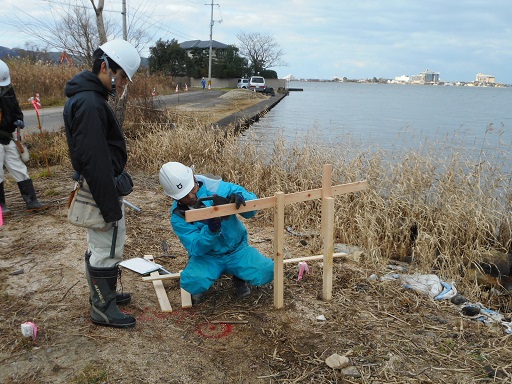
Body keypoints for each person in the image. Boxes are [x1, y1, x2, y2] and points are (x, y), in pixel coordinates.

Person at [63, 39, 141, 328]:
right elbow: (94, 159)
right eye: (121, 78)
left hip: (103, 182)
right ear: (105, 66)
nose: (121, 85)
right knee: (108, 246)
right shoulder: (91, 103)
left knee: (100, 245)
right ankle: (103, 307)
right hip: (101, 187)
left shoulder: (88, 98)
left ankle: (103, 294)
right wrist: (110, 206)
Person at [159, 161, 274, 303]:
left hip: (237, 250)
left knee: (268, 271)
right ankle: (208, 276)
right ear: (173, 197)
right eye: (184, 196)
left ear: (194, 179)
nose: (191, 197)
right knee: (191, 282)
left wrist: (240, 200)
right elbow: (196, 248)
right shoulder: (178, 216)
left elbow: (252, 210)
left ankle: (239, 276)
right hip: (208, 256)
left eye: (192, 190)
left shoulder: (218, 188)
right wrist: (211, 231)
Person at [0, 59, 49, 214]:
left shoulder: (8, 90)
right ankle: (1, 207)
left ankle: (32, 201)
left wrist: (19, 119)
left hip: (8, 137)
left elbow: (16, 108)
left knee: (19, 168)